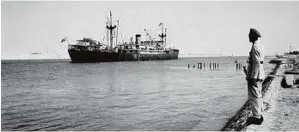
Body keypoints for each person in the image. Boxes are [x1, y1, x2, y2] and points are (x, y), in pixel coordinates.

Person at [246, 28, 265, 125]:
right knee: (259, 94)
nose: (248, 37)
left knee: (254, 96)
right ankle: (260, 114)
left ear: (253, 36)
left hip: (256, 75)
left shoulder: (255, 47)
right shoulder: (260, 46)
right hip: (260, 74)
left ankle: (256, 117)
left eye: (249, 35)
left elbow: (256, 63)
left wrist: (253, 76)